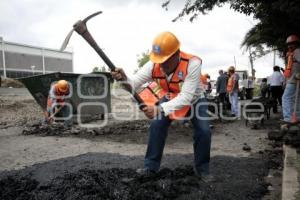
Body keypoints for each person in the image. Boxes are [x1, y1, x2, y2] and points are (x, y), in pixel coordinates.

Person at [111, 31, 212, 180]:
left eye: (166, 60)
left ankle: (202, 169)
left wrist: (159, 108)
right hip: (171, 96)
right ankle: (150, 167)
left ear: (176, 53)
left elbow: (186, 97)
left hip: (194, 99)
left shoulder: (193, 63)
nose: (162, 64)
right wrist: (123, 78)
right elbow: (132, 85)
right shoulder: (154, 64)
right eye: (160, 60)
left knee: (204, 131)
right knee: (157, 125)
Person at [282, 34, 300, 123]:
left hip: (294, 81)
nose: (289, 46)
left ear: (296, 44)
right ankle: (297, 117)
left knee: (286, 98)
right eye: (288, 44)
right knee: (297, 100)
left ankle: (288, 118)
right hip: (293, 81)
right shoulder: (291, 54)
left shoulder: (297, 52)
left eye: (292, 44)